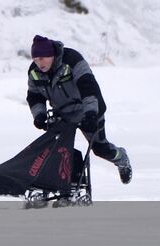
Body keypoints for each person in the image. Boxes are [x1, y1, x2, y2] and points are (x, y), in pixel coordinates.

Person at [27, 34, 131, 183]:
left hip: (88, 110)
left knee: (100, 149)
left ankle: (121, 158)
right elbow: (34, 96)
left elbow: (88, 88)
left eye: (42, 58)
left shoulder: (72, 60)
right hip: (62, 114)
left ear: (51, 55)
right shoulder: (34, 72)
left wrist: (91, 114)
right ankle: (68, 184)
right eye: (35, 60)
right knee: (59, 149)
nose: (39, 63)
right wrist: (39, 115)